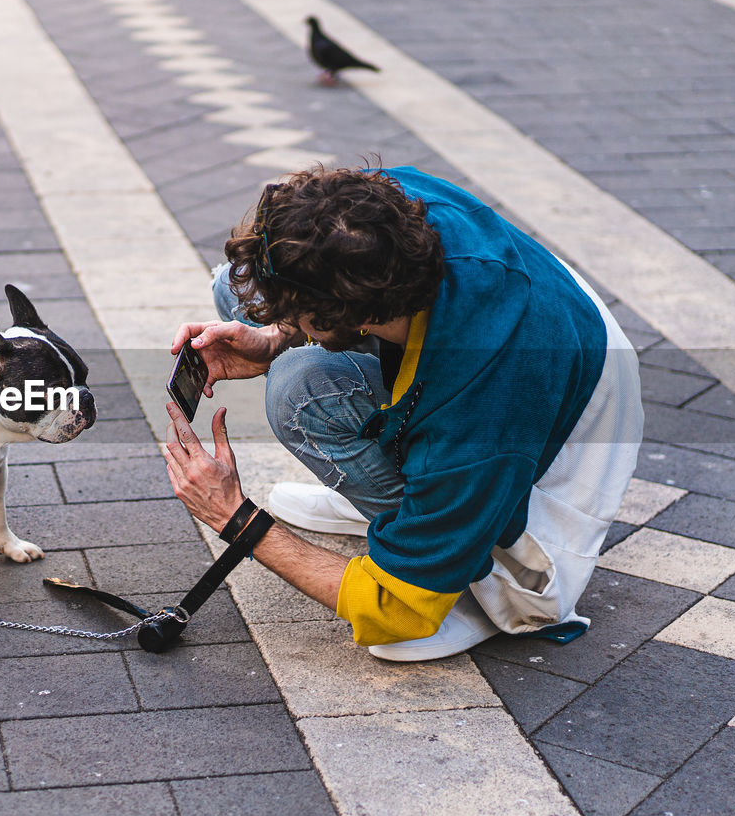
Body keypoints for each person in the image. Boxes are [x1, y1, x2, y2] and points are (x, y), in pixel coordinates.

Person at [162, 165, 643, 661]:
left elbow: (394, 610)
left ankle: (460, 575)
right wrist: (274, 336)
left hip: (549, 424)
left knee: (300, 390)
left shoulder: (479, 409)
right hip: (549, 330)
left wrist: (233, 515)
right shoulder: (380, 208)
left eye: (304, 318)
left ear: (359, 318)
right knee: (237, 285)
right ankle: (407, 512)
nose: (284, 321)